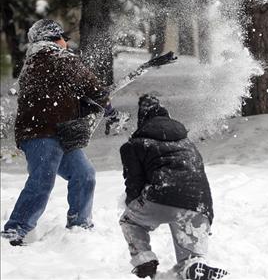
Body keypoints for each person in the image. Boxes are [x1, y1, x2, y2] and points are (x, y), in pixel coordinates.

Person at [1, 19, 120, 246]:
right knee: (42, 180)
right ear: (55, 39)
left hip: (57, 132)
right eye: (63, 39)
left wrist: (83, 105)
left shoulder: (34, 62)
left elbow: (58, 94)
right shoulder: (58, 58)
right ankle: (15, 230)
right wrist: (108, 108)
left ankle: (79, 226)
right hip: (41, 133)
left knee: (84, 174)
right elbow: (91, 85)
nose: (65, 43)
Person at [119, 95, 227, 279]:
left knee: (129, 221)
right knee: (190, 260)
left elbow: (134, 186)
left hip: (162, 195)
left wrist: (134, 206)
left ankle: (144, 260)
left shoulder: (135, 145)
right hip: (200, 205)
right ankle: (194, 266)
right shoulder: (187, 142)